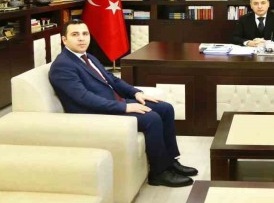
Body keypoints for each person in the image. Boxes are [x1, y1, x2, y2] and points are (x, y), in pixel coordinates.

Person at [49, 20, 198, 187]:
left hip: (112, 103)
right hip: (94, 114)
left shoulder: (88, 57)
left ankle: (170, 161)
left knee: (165, 108)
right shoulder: (63, 66)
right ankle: (159, 173)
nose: (81, 38)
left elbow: (112, 80)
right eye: (75, 35)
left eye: (85, 34)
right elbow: (84, 98)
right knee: (151, 118)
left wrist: (136, 93)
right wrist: (125, 107)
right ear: (64, 40)